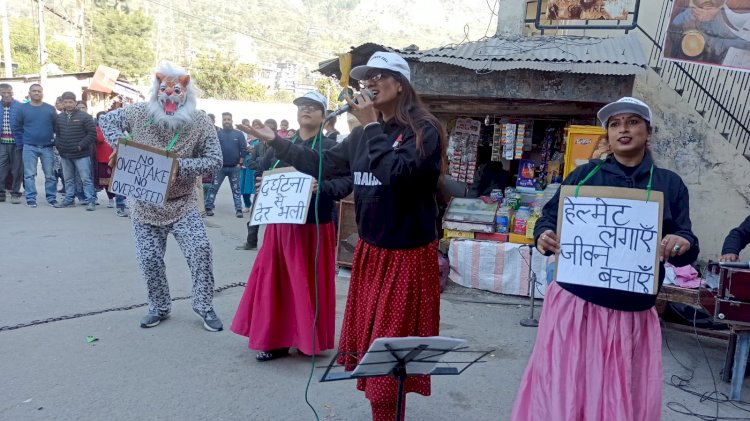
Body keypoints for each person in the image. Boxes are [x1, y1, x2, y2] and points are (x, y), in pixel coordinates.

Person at [240, 52, 446, 420]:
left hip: (406, 256)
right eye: (365, 77)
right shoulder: (363, 134)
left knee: (389, 355)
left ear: (401, 84)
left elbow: (397, 175)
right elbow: (321, 163)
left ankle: (386, 414)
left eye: (379, 76)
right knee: (370, 352)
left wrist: (369, 128)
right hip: (370, 254)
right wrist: (276, 142)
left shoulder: (424, 129)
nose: (368, 82)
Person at [511, 97, 700, 421]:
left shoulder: (669, 184)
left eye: (632, 122)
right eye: (615, 124)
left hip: (631, 315)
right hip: (575, 308)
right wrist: (543, 236)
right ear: (608, 135)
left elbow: (687, 243)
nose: (623, 129)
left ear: (647, 132)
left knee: (618, 399)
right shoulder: (583, 177)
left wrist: (681, 242)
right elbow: (547, 220)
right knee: (567, 393)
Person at [98, 63, 224, 332]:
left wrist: (181, 166)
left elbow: (214, 160)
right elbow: (105, 120)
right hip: (144, 205)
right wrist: (122, 145)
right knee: (149, 258)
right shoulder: (138, 112)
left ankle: (204, 305)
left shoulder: (200, 121)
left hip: (182, 204)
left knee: (200, 250)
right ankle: (159, 306)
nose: (169, 96)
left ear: (186, 91)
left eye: (176, 91)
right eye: (163, 90)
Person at [231, 91, 353, 361]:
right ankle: (274, 339)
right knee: (275, 283)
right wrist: (264, 183)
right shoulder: (281, 144)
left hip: (313, 227)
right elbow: (261, 169)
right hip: (279, 224)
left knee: (307, 284)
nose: (305, 111)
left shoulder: (333, 147)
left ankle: (307, 339)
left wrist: (322, 187)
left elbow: (346, 183)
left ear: (324, 115)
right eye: (301, 107)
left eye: (312, 107)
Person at [12, 84, 58, 207]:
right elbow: (16, 127)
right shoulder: (22, 109)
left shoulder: (50, 109)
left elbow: (56, 126)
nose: (37, 93)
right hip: (29, 147)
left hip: (47, 146)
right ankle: (31, 198)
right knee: (29, 175)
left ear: (42, 93)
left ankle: (51, 197)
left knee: (50, 175)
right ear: (29, 93)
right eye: (34, 91)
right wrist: (22, 141)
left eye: (39, 91)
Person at [236, 118, 276, 251]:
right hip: (260, 183)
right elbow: (249, 163)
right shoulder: (258, 146)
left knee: (276, 218)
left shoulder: (279, 147)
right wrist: (263, 161)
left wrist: (261, 162)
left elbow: (280, 164)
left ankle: (274, 246)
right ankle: (251, 242)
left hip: (277, 184)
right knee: (255, 214)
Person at [53, 92, 97, 211]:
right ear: (62, 103)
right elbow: (57, 134)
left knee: (86, 179)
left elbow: (92, 134)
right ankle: (69, 199)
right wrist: (58, 145)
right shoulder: (59, 118)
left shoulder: (85, 117)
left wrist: (80, 146)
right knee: (68, 179)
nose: (68, 104)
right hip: (65, 154)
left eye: (70, 102)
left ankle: (90, 201)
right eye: (65, 102)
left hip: (81, 154)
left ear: (75, 102)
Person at [204, 112, 245, 218]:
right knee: (213, 188)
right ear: (222, 121)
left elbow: (243, 149)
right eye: (224, 120)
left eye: (228, 119)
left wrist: (240, 163)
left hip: (234, 167)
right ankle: (208, 207)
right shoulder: (217, 134)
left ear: (232, 120)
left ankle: (238, 210)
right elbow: (213, 149)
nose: (226, 121)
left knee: (236, 190)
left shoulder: (239, 134)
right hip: (220, 168)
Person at [0, 83, 23, 204]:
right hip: (2, 144)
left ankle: (15, 193)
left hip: (17, 143)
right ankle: (1, 193)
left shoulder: (20, 106)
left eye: (9, 92)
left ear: (12, 93)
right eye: (3, 93)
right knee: (1, 168)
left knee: (17, 169)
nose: (6, 95)